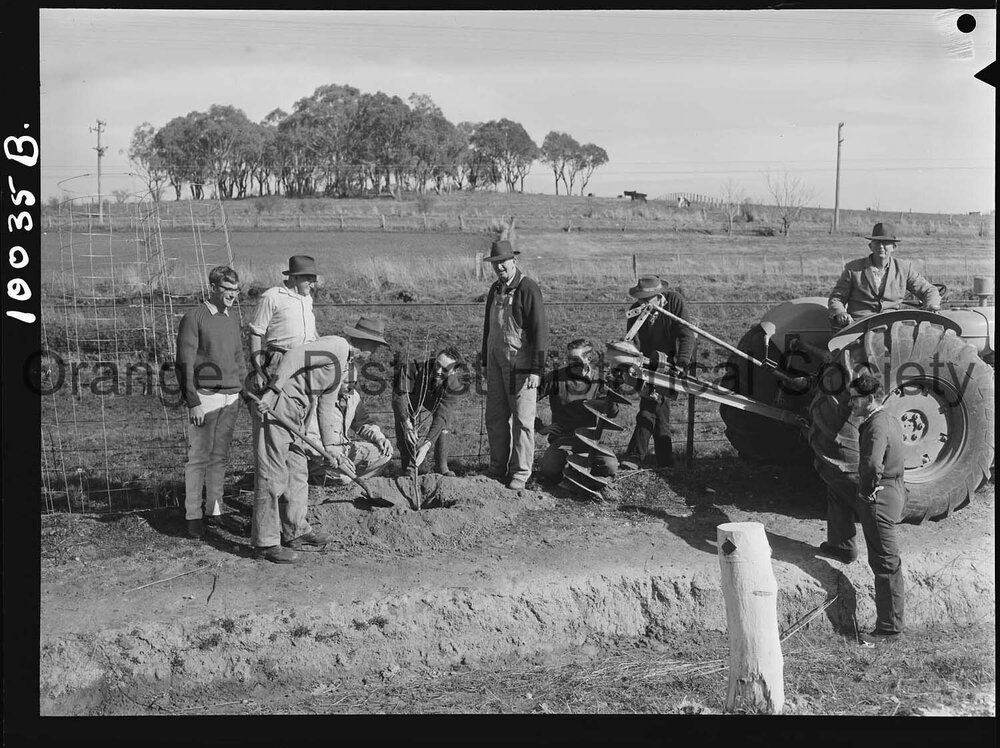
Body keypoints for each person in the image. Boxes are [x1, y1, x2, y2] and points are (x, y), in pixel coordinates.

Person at [250, 317, 388, 563]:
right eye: (375, 346)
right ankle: (265, 543)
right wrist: (272, 391)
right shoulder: (337, 346)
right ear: (365, 342)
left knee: (297, 471)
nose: (374, 352)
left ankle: (295, 530)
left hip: (299, 414)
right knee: (273, 475)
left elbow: (326, 406)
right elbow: (294, 357)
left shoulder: (343, 365)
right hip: (279, 406)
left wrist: (332, 447)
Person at [818, 372, 906, 643]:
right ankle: (842, 545)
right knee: (837, 488)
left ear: (870, 399)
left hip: (879, 498)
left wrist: (867, 493)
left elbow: (871, 464)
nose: (850, 403)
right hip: (891, 490)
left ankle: (889, 629)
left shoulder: (876, 426)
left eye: (855, 399)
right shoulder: (888, 418)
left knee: (885, 563)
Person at [176, 266, 247, 539]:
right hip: (205, 397)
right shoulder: (194, 317)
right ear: (214, 288)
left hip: (231, 397)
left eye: (236, 290)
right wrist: (192, 401)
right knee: (199, 457)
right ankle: (192, 515)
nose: (232, 295)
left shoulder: (232, 318)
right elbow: (184, 362)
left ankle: (214, 511)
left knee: (219, 457)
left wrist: (245, 388)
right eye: (227, 289)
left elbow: (239, 357)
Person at [479, 240, 549, 491]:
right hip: (495, 362)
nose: (499, 267)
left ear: (514, 261)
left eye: (503, 262)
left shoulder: (528, 288)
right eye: (495, 263)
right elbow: (488, 329)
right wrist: (485, 361)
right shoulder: (494, 289)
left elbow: (540, 330)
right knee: (495, 417)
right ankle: (497, 467)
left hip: (521, 365)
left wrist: (536, 370)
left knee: (522, 419)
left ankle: (520, 471)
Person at [619, 275, 695, 470]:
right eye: (640, 299)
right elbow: (633, 341)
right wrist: (631, 361)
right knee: (657, 406)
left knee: (651, 405)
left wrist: (682, 362)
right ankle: (665, 459)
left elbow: (686, 334)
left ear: (659, 296)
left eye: (647, 299)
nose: (642, 303)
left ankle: (636, 456)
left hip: (671, 363)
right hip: (648, 363)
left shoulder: (674, 302)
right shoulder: (635, 312)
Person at [828, 222, 941, 330]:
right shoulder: (853, 269)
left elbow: (929, 290)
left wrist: (931, 306)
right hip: (858, 326)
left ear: (893, 246)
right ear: (870, 246)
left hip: (893, 326)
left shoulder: (904, 268)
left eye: (886, 243)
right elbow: (836, 298)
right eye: (877, 242)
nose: (881, 246)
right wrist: (840, 313)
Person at [535, 338, 619, 484]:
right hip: (562, 439)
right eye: (569, 358)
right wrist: (540, 427)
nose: (571, 362)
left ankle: (583, 474)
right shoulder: (556, 378)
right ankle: (568, 476)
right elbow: (526, 401)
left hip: (590, 441)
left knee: (610, 466)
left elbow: (612, 413)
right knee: (549, 469)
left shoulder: (599, 381)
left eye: (575, 359)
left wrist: (611, 393)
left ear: (589, 358)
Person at [392, 346, 466, 477]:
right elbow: (399, 398)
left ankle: (441, 467)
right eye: (437, 365)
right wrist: (406, 424)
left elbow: (441, 416)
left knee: (444, 422)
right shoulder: (412, 369)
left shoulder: (454, 386)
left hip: (435, 398)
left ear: (453, 372)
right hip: (413, 394)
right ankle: (408, 468)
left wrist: (427, 444)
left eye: (445, 370)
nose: (438, 371)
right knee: (402, 417)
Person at [315, 369, 393, 487]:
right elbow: (311, 438)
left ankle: (356, 486)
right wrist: (330, 453)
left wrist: (380, 438)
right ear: (334, 381)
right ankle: (318, 480)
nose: (351, 387)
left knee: (385, 453)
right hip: (323, 455)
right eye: (347, 382)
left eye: (354, 383)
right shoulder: (319, 399)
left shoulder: (353, 396)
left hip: (345, 449)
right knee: (344, 479)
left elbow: (362, 423)